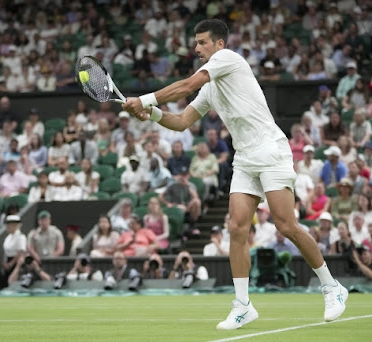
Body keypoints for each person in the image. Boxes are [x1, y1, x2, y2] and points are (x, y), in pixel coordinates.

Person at [123, 19, 347, 329]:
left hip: (270, 151)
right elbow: (181, 122)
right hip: (244, 159)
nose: (196, 47)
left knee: (285, 223)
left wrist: (145, 99)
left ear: (218, 45)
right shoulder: (211, 87)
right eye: (196, 42)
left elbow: (186, 85)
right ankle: (243, 305)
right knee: (237, 227)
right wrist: (152, 114)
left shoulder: (227, 59)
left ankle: (332, 286)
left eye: (202, 42)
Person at [2, 215, 27, 286]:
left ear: (14, 225)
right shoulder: (8, 237)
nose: (7, 227)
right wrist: (5, 262)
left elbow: (21, 252)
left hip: (16, 263)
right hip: (8, 262)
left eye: (8, 225)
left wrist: (11, 264)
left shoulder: (21, 237)